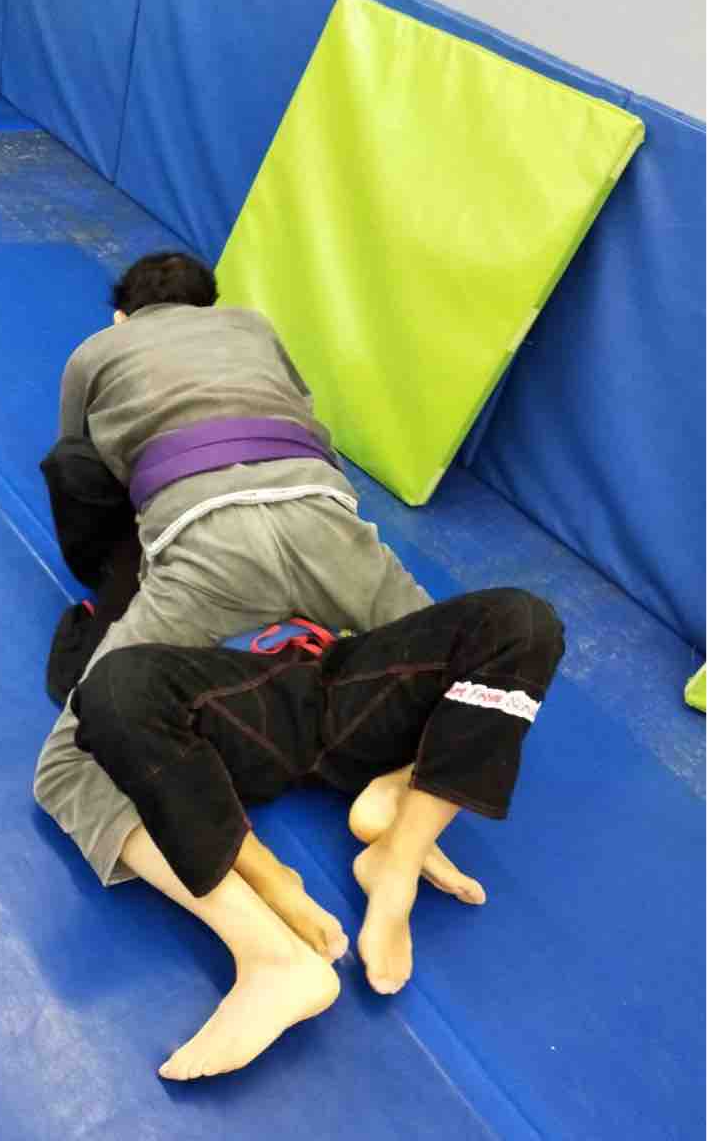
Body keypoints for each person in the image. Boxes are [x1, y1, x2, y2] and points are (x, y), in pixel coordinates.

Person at [34, 250, 431, 899]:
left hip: (204, 547)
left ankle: (243, 900)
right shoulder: (252, 325)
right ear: (210, 306)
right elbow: (303, 411)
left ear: (120, 315)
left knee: (70, 764)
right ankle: (403, 800)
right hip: (327, 524)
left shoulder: (94, 351)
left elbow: (78, 455)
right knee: (468, 666)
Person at [72, 588, 565, 1080]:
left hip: (349, 681)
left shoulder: (313, 544)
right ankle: (276, 902)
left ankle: (398, 859)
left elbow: (432, 629)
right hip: (250, 705)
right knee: (115, 687)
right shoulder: (163, 581)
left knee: (522, 624)